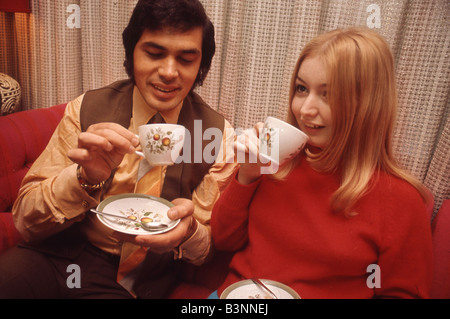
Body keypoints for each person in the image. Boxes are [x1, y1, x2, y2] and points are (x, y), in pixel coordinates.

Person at [0, 0, 236, 299]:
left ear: (201, 65)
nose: (168, 72)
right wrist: (83, 178)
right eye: (154, 54)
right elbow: (24, 218)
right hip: (55, 255)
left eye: (186, 59)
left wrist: (188, 232)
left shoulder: (216, 135)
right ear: (132, 53)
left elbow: (205, 250)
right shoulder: (87, 109)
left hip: (132, 281)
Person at [210, 27, 433, 299]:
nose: (304, 109)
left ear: (368, 105)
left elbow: (402, 293)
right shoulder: (275, 159)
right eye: (301, 89)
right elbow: (223, 240)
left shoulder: (401, 201)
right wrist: (247, 174)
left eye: (328, 94)